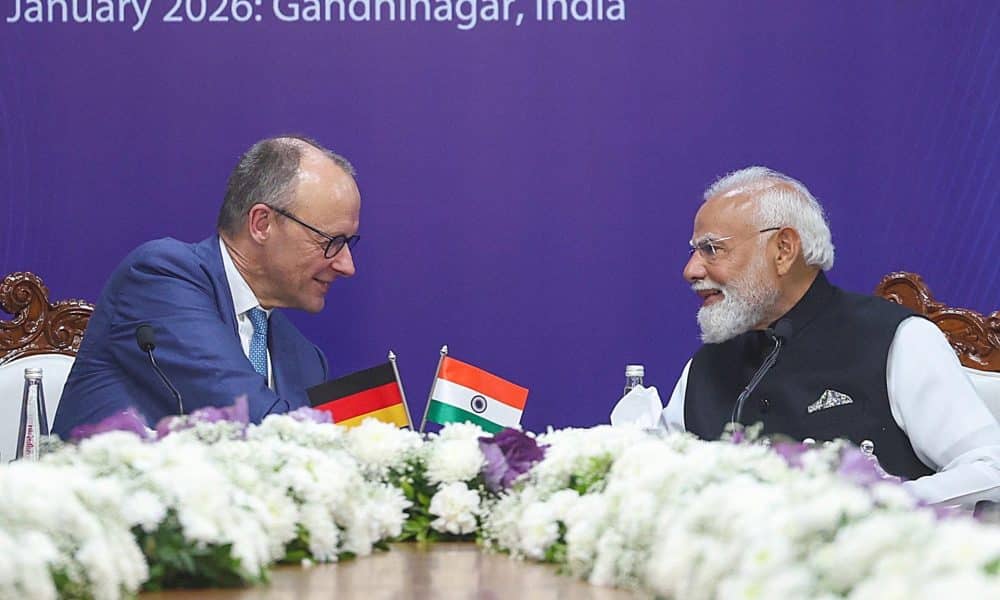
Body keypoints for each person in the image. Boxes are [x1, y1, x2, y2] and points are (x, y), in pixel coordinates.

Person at [647, 166, 999, 507]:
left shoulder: (896, 340)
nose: (691, 270)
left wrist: (874, 507)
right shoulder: (708, 362)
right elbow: (653, 470)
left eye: (712, 249)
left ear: (783, 249)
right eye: (695, 251)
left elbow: (989, 467)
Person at [53, 135, 359, 435]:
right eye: (332, 241)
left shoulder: (306, 360)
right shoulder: (160, 278)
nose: (347, 265)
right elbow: (253, 429)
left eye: (349, 243)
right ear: (262, 224)